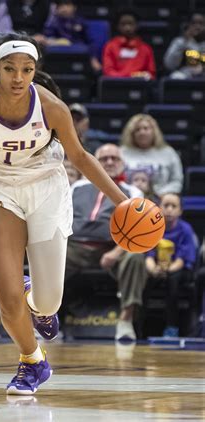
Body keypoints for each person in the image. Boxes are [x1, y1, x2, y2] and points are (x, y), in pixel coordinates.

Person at [0, 32, 129, 395]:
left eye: (26, 69)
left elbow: (81, 157)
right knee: (7, 299)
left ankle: (36, 299)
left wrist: (124, 201)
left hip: (46, 189)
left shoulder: (52, 106)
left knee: (48, 301)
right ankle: (32, 361)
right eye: (9, 68)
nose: (18, 77)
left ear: (35, 70)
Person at [65, 144, 148, 342]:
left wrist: (116, 253)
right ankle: (43, 318)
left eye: (114, 158)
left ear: (123, 164)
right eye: (104, 159)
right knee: (44, 253)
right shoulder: (77, 187)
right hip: (75, 247)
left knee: (135, 256)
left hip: (110, 248)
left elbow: (137, 230)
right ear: (94, 162)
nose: (109, 162)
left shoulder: (132, 191)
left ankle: (126, 320)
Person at [145, 193, 197, 338]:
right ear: (159, 208)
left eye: (174, 206)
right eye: (165, 205)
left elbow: (181, 260)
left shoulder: (185, 229)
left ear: (180, 211)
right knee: (143, 279)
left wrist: (167, 270)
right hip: (157, 268)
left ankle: (171, 327)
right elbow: (149, 256)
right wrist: (154, 269)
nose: (169, 209)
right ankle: (138, 325)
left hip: (179, 269)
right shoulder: (152, 228)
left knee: (172, 280)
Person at [120, 113, 183, 196]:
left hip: (160, 200)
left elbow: (177, 181)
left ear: (154, 131)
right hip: (127, 199)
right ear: (132, 134)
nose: (142, 132)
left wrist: (161, 195)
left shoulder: (168, 153)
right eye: (137, 129)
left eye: (146, 128)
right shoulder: (121, 152)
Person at [102, 8, 156, 80]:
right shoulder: (110, 46)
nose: (127, 28)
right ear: (118, 26)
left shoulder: (146, 49)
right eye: (123, 24)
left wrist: (136, 77)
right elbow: (108, 71)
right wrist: (125, 78)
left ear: (137, 25)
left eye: (131, 24)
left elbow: (151, 73)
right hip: (116, 85)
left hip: (139, 86)